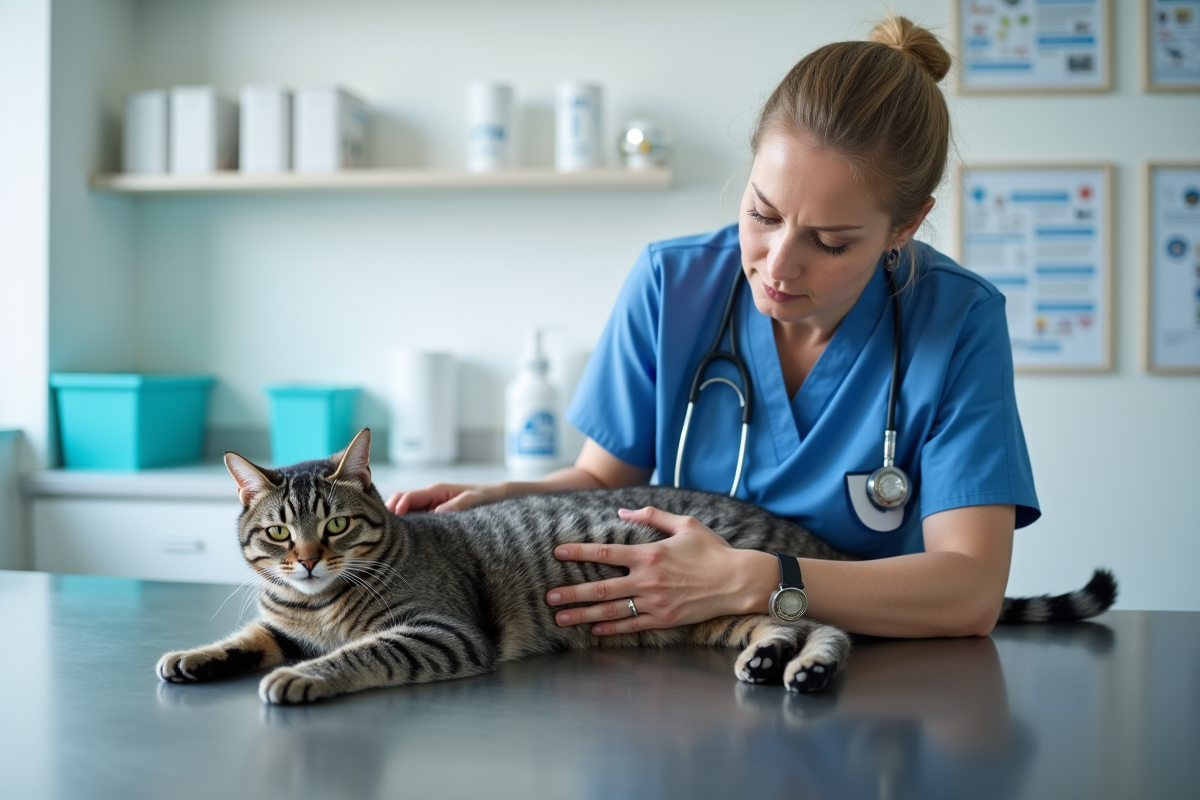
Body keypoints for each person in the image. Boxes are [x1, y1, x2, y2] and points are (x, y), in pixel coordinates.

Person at [385, 16, 1039, 640]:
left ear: (905, 226)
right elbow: (603, 481)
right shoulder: (673, 286)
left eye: (831, 242)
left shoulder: (958, 320)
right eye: (762, 213)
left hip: (874, 671)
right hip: (687, 652)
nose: (776, 265)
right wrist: (502, 498)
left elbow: (969, 591)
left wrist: (760, 580)